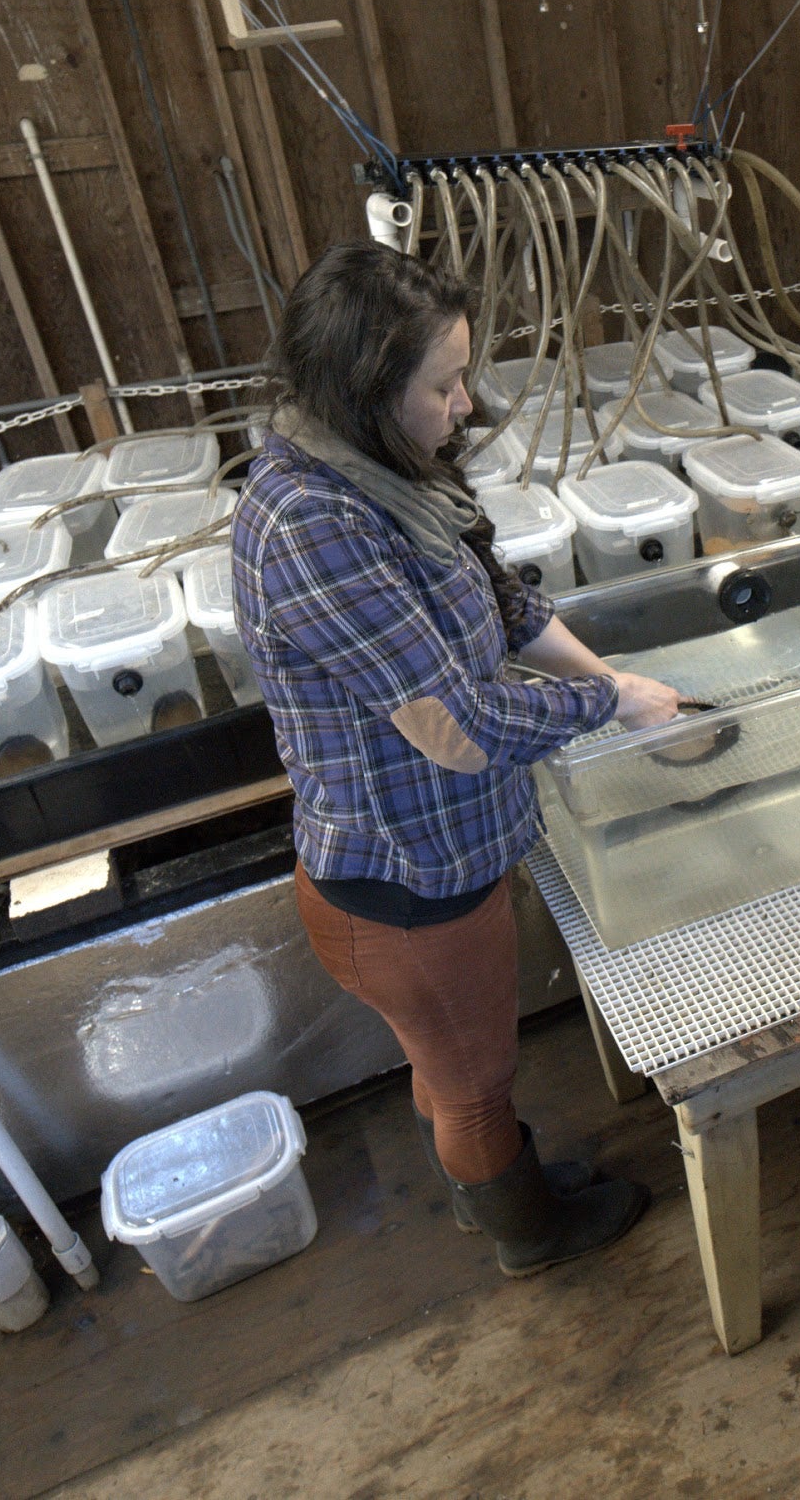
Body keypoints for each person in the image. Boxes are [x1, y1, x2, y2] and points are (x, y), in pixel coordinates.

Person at [231, 240, 679, 1276]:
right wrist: (608, 702)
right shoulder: (313, 525)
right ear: (365, 389)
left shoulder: (387, 474)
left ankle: (494, 1192)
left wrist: (616, 679)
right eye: (443, 383)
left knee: (451, 1065)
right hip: (401, 887)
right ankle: (531, 1234)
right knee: (473, 1078)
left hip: (439, 860)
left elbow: (501, 601)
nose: (466, 405)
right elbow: (456, 729)